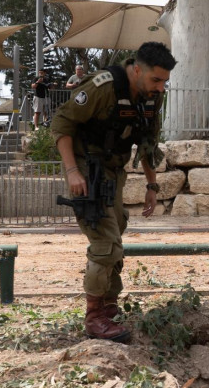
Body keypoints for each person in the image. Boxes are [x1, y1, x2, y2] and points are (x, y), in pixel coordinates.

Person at [51, 42, 174, 342]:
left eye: (164, 81)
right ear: (136, 69)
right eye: (155, 79)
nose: (159, 87)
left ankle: (108, 307)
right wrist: (72, 172)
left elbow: (148, 143)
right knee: (105, 243)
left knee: (116, 231)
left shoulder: (152, 98)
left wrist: (152, 185)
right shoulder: (102, 87)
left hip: (114, 172)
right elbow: (61, 124)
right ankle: (94, 318)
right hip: (87, 168)